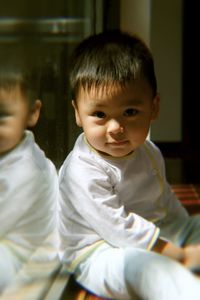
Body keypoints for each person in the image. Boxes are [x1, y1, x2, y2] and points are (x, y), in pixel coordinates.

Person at [59, 30, 200, 300]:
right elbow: (117, 227)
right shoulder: (81, 171)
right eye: (99, 114)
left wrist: (184, 230)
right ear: (78, 113)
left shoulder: (148, 152)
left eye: (130, 112)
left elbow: (163, 197)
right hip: (100, 251)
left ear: (154, 108)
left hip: (154, 230)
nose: (116, 128)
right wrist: (175, 253)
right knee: (147, 270)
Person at [0, 63, 59, 293]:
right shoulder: (9, 153)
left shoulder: (28, 170)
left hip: (20, 260)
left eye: (2, 115)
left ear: (32, 113)